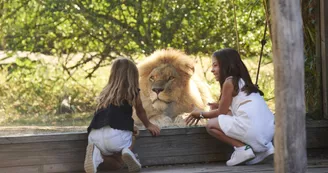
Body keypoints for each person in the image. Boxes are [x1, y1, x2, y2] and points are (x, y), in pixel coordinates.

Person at [186, 48, 274, 166]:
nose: (212, 70)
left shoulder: (229, 81)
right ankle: (265, 149)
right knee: (228, 115)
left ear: (226, 65)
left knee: (211, 125)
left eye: (215, 65)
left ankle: (242, 149)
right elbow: (235, 107)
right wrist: (219, 105)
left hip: (253, 130)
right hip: (268, 132)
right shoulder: (244, 82)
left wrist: (200, 114)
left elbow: (221, 112)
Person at [84, 58, 161, 173]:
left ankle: (97, 156)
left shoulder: (105, 92)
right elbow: (140, 111)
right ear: (133, 76)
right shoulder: (133, 91)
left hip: (94, 136)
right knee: (134, 133)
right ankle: (127, 151)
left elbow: (107, 115)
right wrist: (148, 124)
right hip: (117, 138)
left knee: (116, 165)